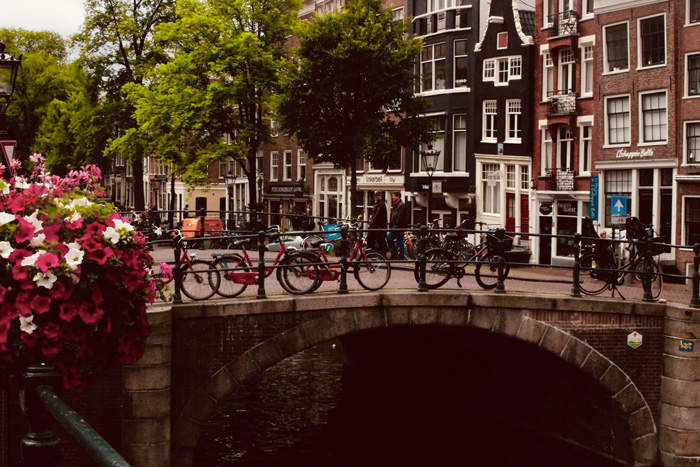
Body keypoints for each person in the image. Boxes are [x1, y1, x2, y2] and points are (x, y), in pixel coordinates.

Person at [387, 191, 408, 259]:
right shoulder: (396, 205)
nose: (392, 197)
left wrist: (396, 226)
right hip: (395, 226)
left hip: (398, 227)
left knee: (398, 241)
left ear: (398, 196)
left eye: (393, 195)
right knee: (392, 239)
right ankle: (394, 253)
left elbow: (400, 217)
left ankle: (400, 256)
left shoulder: (401, 205)